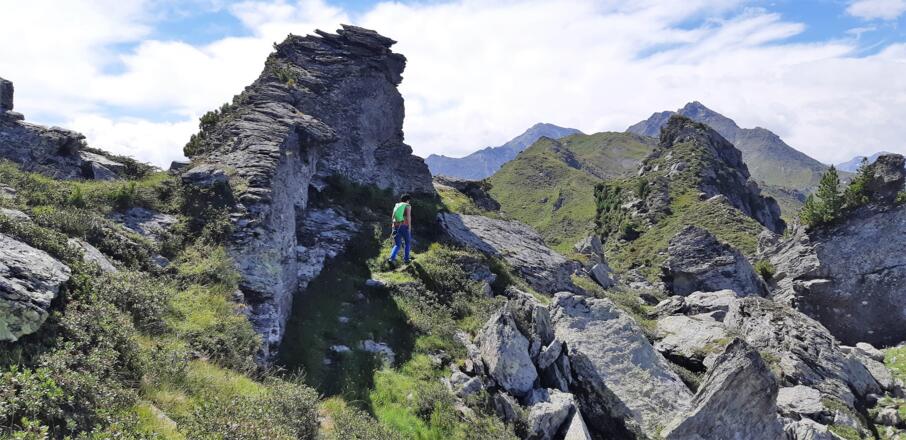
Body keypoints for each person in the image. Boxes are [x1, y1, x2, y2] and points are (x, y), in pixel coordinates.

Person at [388, 194, 413, 265]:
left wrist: (393, 227)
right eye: (409, 200)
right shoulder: (407, 206)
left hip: (396, 226)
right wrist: (409, 227)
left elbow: (392, 217)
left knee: (397, 245)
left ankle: (391, 258)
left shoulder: (396, 205)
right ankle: (406, 259)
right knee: (407, 242)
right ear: (407, 200)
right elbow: (408, 217)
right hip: (404, 226)